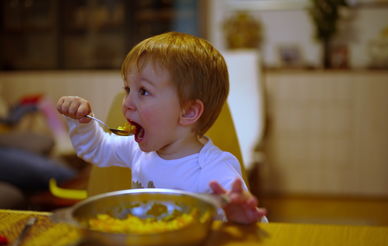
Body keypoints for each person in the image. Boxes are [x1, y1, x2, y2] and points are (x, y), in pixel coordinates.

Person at [57, 32, 267, 224]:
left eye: (144, 91)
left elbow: (258, 226)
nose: (127, 102)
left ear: (188, 112)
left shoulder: (213, 171)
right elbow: (96, 149)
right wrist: (82, 122)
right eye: (128, 89)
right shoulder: (137, 149)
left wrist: (244, 219)